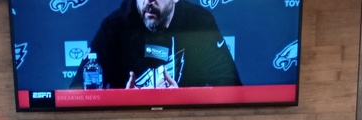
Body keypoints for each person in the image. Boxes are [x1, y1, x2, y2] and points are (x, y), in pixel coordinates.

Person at [70, 0, 242, 90]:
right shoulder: (116, 25)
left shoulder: (199, 21)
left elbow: (230, 85)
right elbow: (79, 87)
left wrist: (184, 97)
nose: (148, 2)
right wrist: (123, 99)